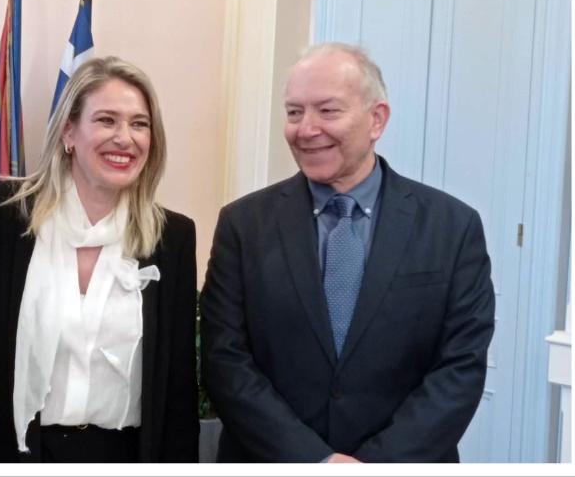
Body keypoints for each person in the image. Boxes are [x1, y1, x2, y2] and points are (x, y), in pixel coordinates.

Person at [200, 43, 495, 463]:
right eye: (294, 112)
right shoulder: (243, 225)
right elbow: (225, 360)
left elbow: (460, 368)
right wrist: (315, 461)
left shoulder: (452, 227)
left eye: (328, 111)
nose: (306, 129)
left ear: (377, 119)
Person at [0, 56, 199, 462]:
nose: (125, 138)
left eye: (139, 124)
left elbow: (177, 389)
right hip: (13, 454)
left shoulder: (172, 238)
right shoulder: (0, 215)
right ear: (69, 132)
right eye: (107, 120)